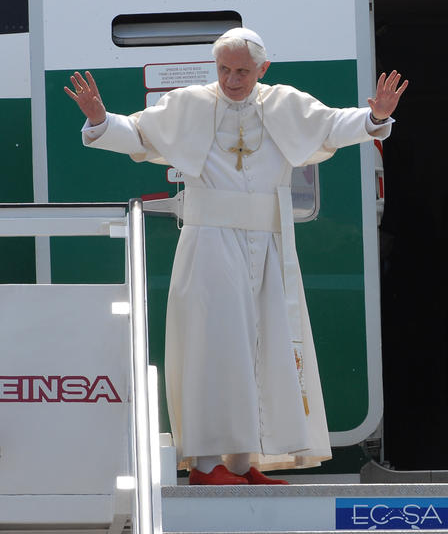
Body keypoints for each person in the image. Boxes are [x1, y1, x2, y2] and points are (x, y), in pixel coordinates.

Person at [65, 27, 407, 485]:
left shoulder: (284, 102)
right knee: (213, 348)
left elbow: (331, 126)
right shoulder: (190, 103)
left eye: (242, 71)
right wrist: (101, 118)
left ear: (262, 69)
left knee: (258, 350)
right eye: (224, 69)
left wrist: (374, 117)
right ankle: (207, 465)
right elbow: (140, 133)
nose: (231, 79)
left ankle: (245, 464)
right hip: (209, 242)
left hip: (268, 244)